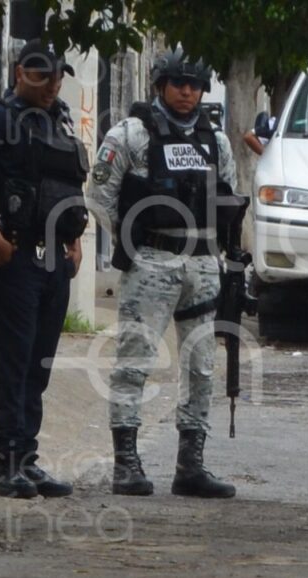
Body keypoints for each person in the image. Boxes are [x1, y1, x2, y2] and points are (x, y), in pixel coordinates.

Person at [88, 46, 238, 498]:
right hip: (153, 258)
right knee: (134, 361)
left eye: (194, 84)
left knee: (202, 366)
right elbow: (100, 197)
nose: (187, 92)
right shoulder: (131, 134)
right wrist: (132, 240)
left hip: (203, 261)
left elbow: (228, 197)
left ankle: (190, 465)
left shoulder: (216, 140)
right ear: (160, 85)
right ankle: (126, 463)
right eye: (178, 83)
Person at [0, 40, 89, 499]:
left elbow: (66, 185)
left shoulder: (60, 120)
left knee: (40, 362)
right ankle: (5, 463)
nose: (51, 84)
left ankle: (26, 459)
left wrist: (74, 242)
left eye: (56, 76)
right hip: (14, 256)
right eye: (41, 75)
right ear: (18, 72)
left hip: (54, 257)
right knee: (15, 359)